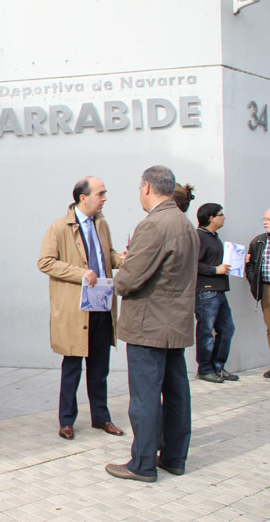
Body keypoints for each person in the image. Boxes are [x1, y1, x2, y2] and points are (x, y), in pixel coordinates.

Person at [106, 165, 199, 482]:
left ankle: (142, 464)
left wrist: (123, 269)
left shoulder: (154, 224)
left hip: (149, 325)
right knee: (176, 393)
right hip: (176, 324)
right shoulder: (185, 223)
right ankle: (174, 457)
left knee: (145, 397)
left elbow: (130, 280)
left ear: (146, 187)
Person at [37, 176, 125, 440]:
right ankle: (66, 421)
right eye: (100, 194)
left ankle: (101, 417)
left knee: (100, 367)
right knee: (72, 366)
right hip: (75, 309)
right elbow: (45, 262)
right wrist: (79, 273)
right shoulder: (59, 228)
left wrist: (121, 258)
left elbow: (106, 255)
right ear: (82, 197)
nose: (104, 198)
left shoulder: (102, 225)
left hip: (101, 304)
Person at [194, 203, 238, 383]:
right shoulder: (200, 237)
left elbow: (218, 263)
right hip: (206, 292)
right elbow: (194, 264)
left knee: (227, 329)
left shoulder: (215, 238)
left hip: (218, 291)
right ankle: (205, 369)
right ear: (211, 218)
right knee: (205, 331)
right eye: (221, 214)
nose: (224, 217)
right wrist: (215, 270)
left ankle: (218, 367)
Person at [246, 208, 270, 378]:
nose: (265, 222)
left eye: (268, 219)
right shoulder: (259, 242)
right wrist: (254, 283)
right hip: (267, 288)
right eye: (264, 219)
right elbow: (251, 265)